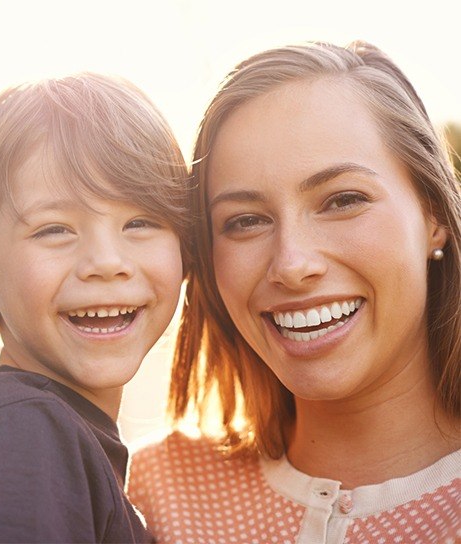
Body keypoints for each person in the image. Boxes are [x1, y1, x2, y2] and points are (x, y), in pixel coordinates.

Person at [128, 41, 461, 543]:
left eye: (343, 200)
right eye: (244, 221)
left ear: (432, 214)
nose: (292, 264)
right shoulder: (154, 493)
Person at [0, 72, 189, 543]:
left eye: (141, 221)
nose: (107, 262)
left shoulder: (44, 428)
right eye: (55, 229)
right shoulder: (22, 429)